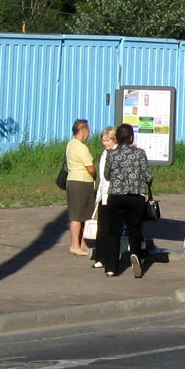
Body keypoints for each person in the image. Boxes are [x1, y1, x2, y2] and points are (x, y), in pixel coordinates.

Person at [103, 123, 153, 278]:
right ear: (132, 137)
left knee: (113, 231)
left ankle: (111, 267)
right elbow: (148, 176)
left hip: (116, 196)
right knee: (135, 229)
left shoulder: (112, 154)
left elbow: (106, 175)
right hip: (135, 196)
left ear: (117, 138)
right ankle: (136, 257)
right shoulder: (139, 153)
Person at [65, 119, 96, 257]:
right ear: (83, 130)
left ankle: (82, 243)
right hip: (81, 182)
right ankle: (75, 245)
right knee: (77, 216)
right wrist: (95, 175)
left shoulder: (71, 144)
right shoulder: (81, 147)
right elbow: (90, 168)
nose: (89, 133)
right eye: (88, 129)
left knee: (83, 214)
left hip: (73, 180)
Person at [91, 126, 118, 270]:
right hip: (103, 195)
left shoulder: (117, 153)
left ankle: (110, 257)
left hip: (114, 194)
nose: (105, 143)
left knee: (111, 228)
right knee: (102, 227)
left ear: (114, 139)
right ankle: (100, 257)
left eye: (107, 140)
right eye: (103, 140)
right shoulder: (104, 154)